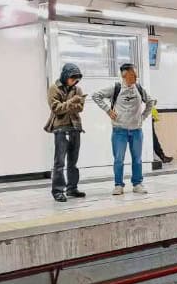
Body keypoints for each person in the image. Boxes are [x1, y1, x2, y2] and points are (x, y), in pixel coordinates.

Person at [93, 63, 156, 195]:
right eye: (133, 74)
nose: (136, 76)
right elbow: (96, 96)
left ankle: (137, 184)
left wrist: (143, 117)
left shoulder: (139, 88)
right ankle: (118, 185)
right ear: (124, 75)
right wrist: (108, 110)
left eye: (136, 74)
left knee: (137, 159)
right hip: (119, 131)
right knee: (118, 160)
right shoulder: (115, 88)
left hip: (136, 131)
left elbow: (151, 101)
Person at [44, 63, 86, 202]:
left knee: (73, 162)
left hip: (75, 128)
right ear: (65, 75)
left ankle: (72, 188)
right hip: (61, 129)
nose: (75, 81)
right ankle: (57, 191)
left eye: (77, 79)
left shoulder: (77, 89)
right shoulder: (54, 88)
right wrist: (72, 101)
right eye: (72, 78)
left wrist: (67, 105)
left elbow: (80, 108)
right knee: (60, 163)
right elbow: (56, 109)